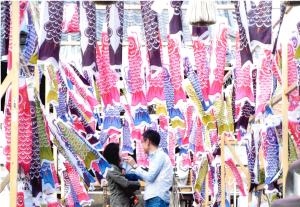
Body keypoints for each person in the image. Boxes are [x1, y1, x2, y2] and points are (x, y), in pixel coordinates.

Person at [125, 129, 173, 207]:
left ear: (147, 141)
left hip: (157, 199)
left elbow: (150, 177)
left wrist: (135, 166)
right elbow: (147, 177)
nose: (142, 146)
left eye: (142, 142)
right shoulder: (155, 157)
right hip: (154, 198)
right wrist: (127, 175)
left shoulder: (159, 156)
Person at [103, 143, 141, 207]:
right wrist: (138, 183)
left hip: (124, 202)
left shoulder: (117, 167)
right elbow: (125, 183)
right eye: (120, 151)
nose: (122, 153)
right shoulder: (111, 169)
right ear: (114, 153)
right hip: (118, 203)